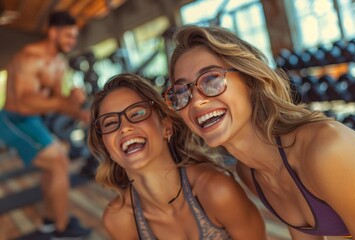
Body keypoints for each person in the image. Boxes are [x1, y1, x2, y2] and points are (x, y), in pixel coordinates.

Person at [164, 25, 355, 240]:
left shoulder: (326, 149)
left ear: (250, 80)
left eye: (211, 79)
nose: (197, 101)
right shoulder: (250, 172)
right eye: (181, 92)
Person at [88, 73, 266, 240]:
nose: (124, 127)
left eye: (137, 113)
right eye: (110, 123)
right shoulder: (120, 220)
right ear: (106, 145)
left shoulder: (215, 191)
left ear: (166, 127)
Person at [0, 11, 91, 239]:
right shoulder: (29, 58)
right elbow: (24, 102)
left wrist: (77, 107)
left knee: (54, 164)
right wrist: (66, 102)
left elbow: (56, 100)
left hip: (33, 120)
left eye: (74, 36)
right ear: (53, 32)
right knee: (58, 161)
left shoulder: (59, 65)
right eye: (68, 36)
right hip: (14, 119)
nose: (72, 41)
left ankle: (51, 220)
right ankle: (61, 227)